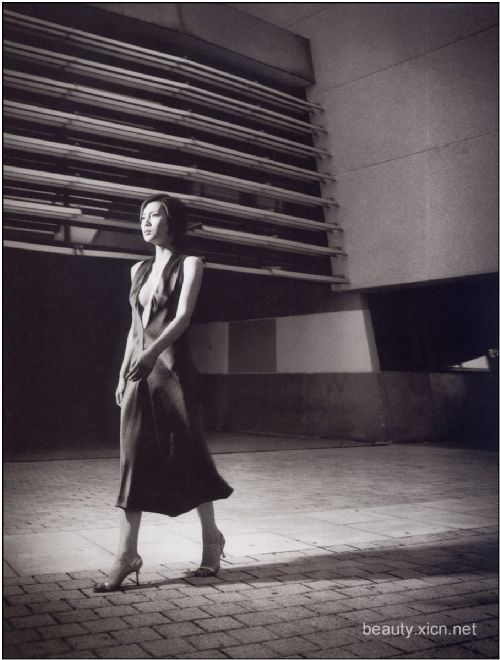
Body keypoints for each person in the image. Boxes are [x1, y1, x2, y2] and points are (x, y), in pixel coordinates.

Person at [95, 194, 233, 592]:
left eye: (154, 215)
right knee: (132, 459)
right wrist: (123, 374)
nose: (145, 221)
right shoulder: (137, 269)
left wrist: (152, 354)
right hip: (139, 373)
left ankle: (211, 541)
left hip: (173, 372)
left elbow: (183, 317)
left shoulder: (191, 264)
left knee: (190, 456)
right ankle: (126, 555)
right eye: (142, 216)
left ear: (172, 222)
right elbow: (134, 328)